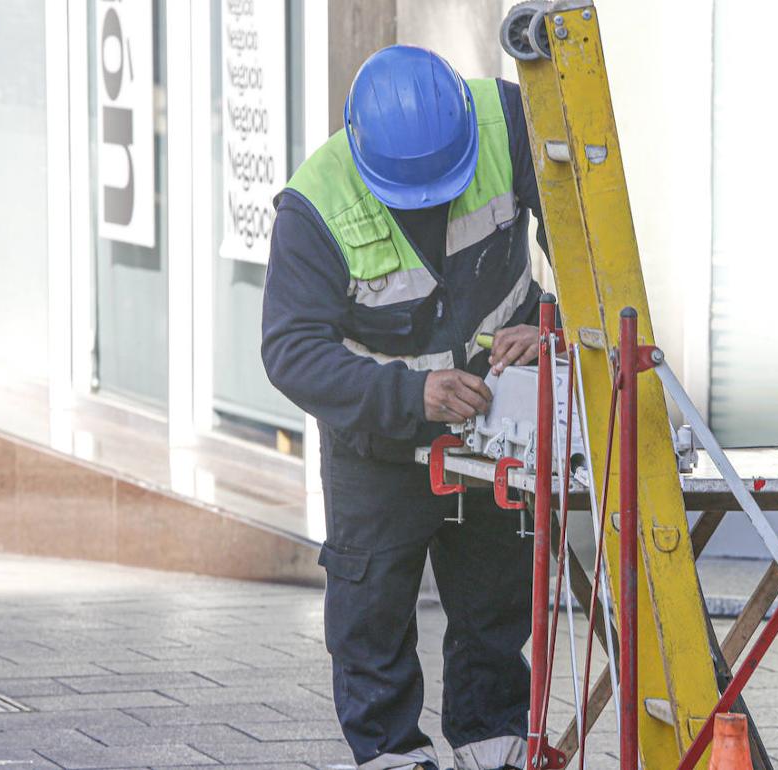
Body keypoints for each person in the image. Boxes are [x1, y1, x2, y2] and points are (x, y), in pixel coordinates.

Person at [261, 45, 549, 770]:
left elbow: (588, 239)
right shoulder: (313, 205)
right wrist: (410, 395)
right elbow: (291, 350)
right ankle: (391, 756)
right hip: (380, 442)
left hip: (493, 424)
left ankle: (493, 748)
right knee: (371, 615)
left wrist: (556, 325)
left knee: (493, 606)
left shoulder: (509, 120)